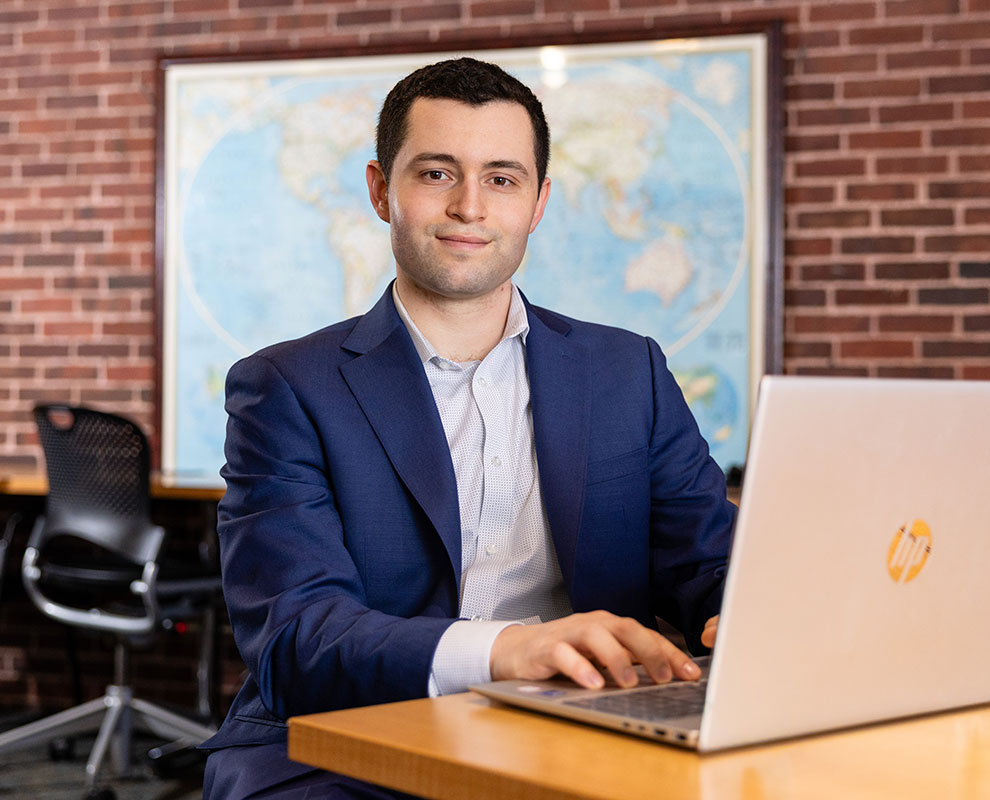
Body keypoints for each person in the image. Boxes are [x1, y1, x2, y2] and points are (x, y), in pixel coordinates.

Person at [202, 58, 735, 799]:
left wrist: (741, 612)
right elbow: (298, 641)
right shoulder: (288, 387)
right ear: (381, 191)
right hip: (353, 741)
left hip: (585, 728)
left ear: (539, 202)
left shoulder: (627, 370)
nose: (470, 208)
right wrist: (507, 650)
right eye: (437, 174)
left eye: (502, 178)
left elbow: (707, 562)